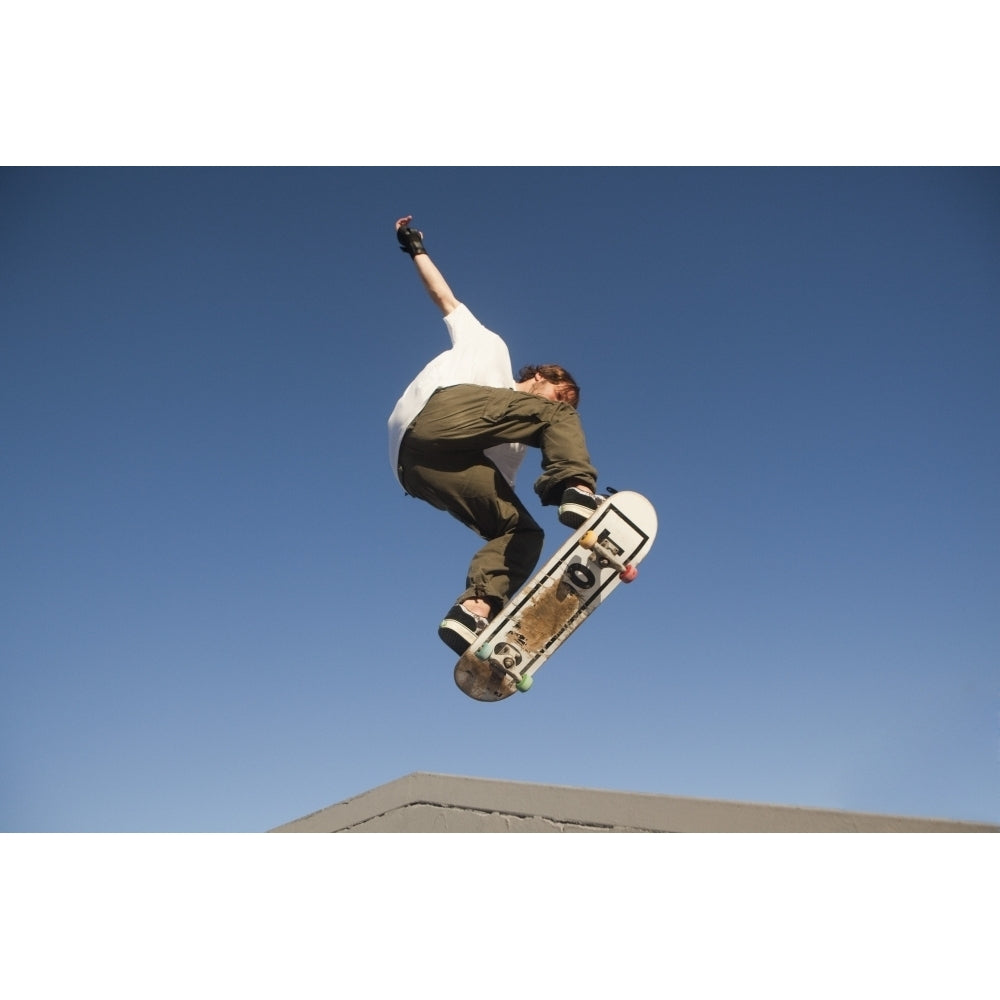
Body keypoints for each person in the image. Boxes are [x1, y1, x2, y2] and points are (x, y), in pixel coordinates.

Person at [388, 216, 601, 656]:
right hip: (437, 415)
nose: (561, 405)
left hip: (418, 472)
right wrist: (415, 248)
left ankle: (475, 610)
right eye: (559, 394)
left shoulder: (517, 441)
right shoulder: (491, 348)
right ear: (541, 375)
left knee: (521, 532)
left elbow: (498, 499)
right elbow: (445, 298)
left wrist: (591, 538)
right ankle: (575, 486)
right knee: (553, 422)